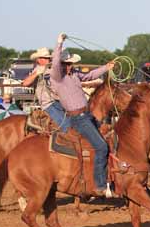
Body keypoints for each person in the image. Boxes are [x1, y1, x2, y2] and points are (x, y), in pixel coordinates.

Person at [50, 33, 115, 196]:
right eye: (69, 63)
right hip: (78, 119)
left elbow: (90, 75)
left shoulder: (74, 75)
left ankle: (113, 176)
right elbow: (55, 63)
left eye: (72, 63)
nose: (72, 66)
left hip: (87, 116)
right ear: (63, 64)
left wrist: (106, 67)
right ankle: (100, 185)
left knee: (111, 135)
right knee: (101, 146)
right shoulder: (57, 77)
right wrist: (59, 43)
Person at [22, 47, 70, 132]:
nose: (48, 60)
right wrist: (37, 73)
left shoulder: (52, 68)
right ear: (39, 60)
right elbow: (25, 83)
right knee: (66, 125)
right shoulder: (37, 70)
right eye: (45, 58)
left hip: (60, 102)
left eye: (48, 58)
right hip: (48, 104)